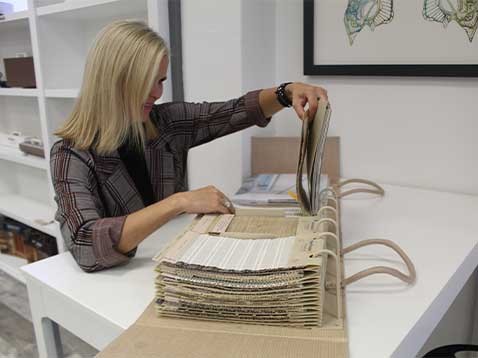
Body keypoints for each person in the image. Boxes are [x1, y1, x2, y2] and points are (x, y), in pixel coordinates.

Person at [51, 20, 328, 273]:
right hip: (118, 283)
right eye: (146, 82)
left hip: (172, 263)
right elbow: (86, 245)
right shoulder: (70, 154)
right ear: (112, 79)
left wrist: (286, 92)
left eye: (160, 81)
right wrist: (178, 202)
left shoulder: (164, 122)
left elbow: (230, 112)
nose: (157, 93)